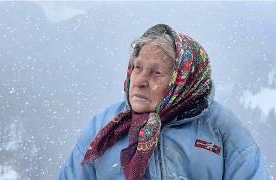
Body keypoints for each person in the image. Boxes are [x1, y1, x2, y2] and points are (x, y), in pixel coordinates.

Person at [58, 24, 269, 180]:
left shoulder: (220, 128)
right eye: (137, 67)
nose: (139, 81)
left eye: (156, 72)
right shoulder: (104, 127)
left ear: (183, 81)